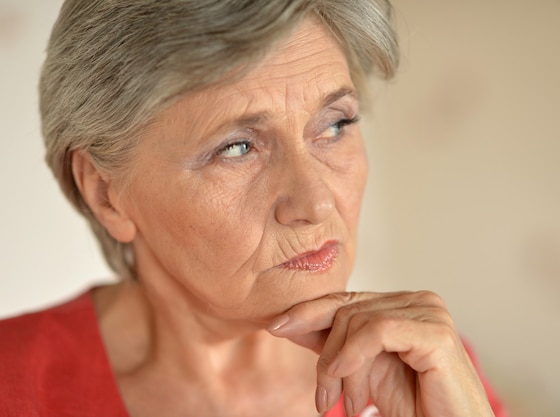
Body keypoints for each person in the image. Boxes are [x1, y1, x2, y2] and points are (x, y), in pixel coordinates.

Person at [0, 1, 506, 416]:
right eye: (237, 147)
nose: (316, 202)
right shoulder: (14, 387)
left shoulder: (425, 368)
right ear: (104, 192)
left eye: (335, 125)